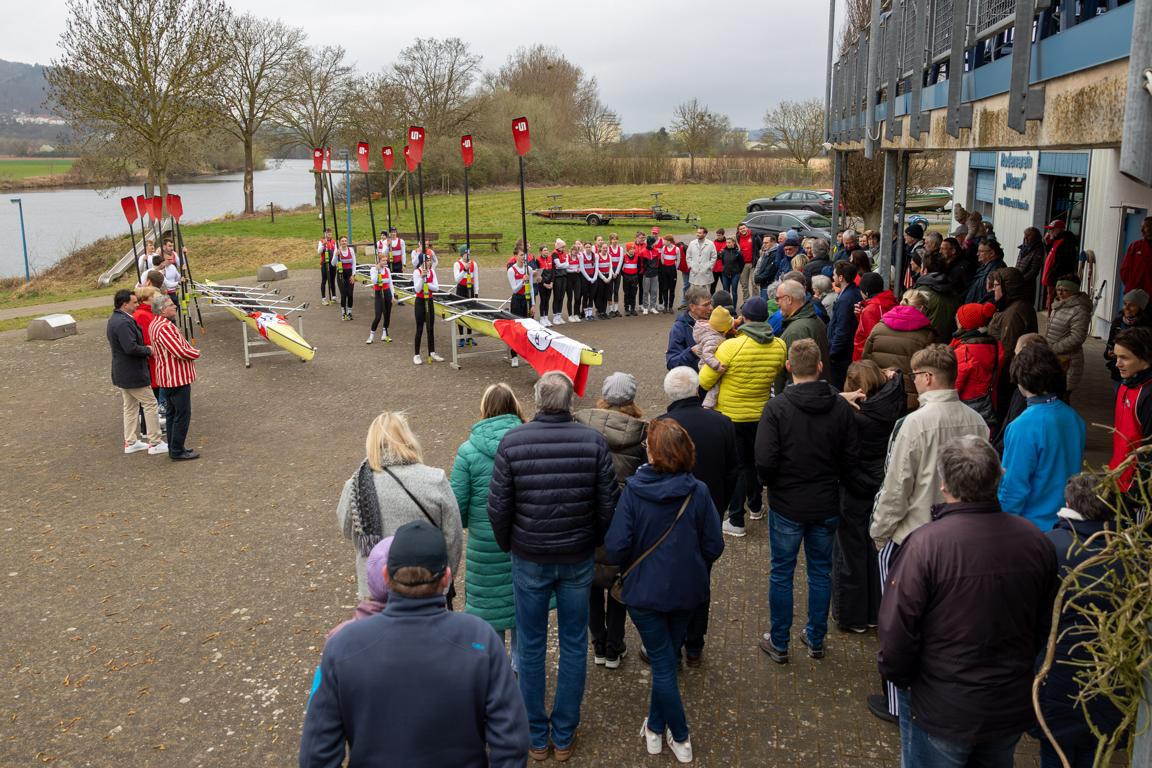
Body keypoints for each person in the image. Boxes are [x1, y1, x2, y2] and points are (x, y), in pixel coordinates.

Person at [879, 436, 1058, 768]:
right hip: (1006, 704)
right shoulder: (1036, 542)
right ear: (999, 476)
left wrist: (903, 680)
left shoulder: (924, 546)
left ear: (944, 485)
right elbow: (1044, 626)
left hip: (941, 707)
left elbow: (896, 632)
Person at [300, 520, 530, 768]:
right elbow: (512, 742)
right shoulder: (480, 639)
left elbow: (316, 756)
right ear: (447, 578)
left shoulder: (343, 647)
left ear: (386, 576)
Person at [487, 372, 619, 762]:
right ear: (570, 401)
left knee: (530, 645)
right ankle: (563, 734)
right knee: (574, 643)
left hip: (530, 556)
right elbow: (608, 504)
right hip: (576, 556)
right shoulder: (593, 441)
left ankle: (536, 736)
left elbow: (498, 508)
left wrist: (509, 544)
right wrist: (592, 539)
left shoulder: (513, 442)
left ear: (537, 401)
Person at [867, 344, 989, 722]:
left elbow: (897, 484)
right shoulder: (978, 422)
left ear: (930, 377)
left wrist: (880, 531)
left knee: (898, 619)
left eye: (916, 376)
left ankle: (895, 702)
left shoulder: (915, 423)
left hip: (912, 534)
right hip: (963, 536)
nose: (914, 382)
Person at [603, 418, 724, 764]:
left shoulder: (633, 492)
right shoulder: (698, 492)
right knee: (666, 658)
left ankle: (678, 735)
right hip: (687, 592)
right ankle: (656, 729)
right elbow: (714, 545)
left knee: (664, 662)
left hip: (644, 592)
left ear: (653, 454)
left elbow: (615, 547)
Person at [755, 339, 859, 663]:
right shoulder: (839, 407)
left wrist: (773, 484)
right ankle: (815, 638)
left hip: (787, 503)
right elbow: (851, 456)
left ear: (789, 367)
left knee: (782, 573)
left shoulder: (777, 408)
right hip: (825, 502)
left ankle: (780, 641)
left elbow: (764, 461)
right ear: (819, 367)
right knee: (820, 572)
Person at [1034, 473, 1125, 768]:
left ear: (1068, 501)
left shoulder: (1048, 547)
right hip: (1109, 676)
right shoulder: (1127, 553)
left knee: (1056, 752)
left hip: (1056, 671)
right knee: (1093, 750)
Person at [657, 367, 739, 665]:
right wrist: (720, 506)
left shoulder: (660, 426)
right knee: (701, 580)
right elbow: (733, 472)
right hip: (708, 514)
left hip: (669, 519)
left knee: (668, 581)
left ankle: (672, 644)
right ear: (697, 390)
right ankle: (694, 645)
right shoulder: (722, 423)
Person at [336, 412, 462, 601]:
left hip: (374, 592)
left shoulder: (355, 486)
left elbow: (347, 530)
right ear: (407, 438)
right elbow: (453, 537)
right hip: (427, 586)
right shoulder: (435, 480)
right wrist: (444, 579)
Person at [575, 372, 647, 670]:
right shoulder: (641, 435)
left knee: (592, 583)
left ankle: (598, 643)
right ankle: (615, 646)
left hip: (589, 517)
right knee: (619, 583)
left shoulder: (582, 427)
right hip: (623, 520)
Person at [699, 297, 787, 537]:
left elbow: (705, 380)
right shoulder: (779, 346)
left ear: (744, 318)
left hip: (732, 416)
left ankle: (736, 518)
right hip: (761, 414)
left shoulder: (731, 347)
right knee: (754, 462)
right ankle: (756, 506)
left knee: (738, 466)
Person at [450, 384, 524, 670]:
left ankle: (496, 673)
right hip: (522, 541)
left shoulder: (468, 451)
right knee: (523, 613)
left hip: (484, 545)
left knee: (490, 616)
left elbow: (457, 508)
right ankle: (521, 672)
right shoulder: (528, 443)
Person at [834, 361, 904, 633]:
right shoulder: (893, 404)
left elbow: (846, 458)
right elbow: (897, 378)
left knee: (850, 552)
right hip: (882, 483)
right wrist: (893, 376)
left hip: (855, 487)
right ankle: (877, 610)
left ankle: (852, 616)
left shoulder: (853, 417)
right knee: (878, 548)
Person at [999, 343, 1086, 530]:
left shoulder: (1021, 426)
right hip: (1066, 521)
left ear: (1020, 378)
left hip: (1031, 527)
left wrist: (1001, 525)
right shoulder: (1074, 418)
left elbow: (1013, 487)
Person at [106, 289, 167, 456]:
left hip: (123, 372)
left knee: (130, 406)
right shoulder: (123, 323)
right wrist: (148, 349)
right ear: (125, 304)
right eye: (134, 303)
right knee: (150, 403)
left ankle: (131, 441)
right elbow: (130, 347)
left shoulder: (115, 319)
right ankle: (155, 442)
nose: (136, 305)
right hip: (132, 372)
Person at [863, 289, 935, 411]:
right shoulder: (927, 335)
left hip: (879, 394)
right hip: (910, 400)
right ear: (922, 308)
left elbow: (866, 360)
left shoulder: (878, 327)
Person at [148, 295, 201, 460]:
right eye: (171, 305)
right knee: (182, 414)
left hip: (168, 376)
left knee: (172, 414)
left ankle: (174, 447)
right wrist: (195, 353)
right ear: (163, 310)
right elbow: (179, 350)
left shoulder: (156, 323)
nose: (175, 307)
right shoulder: (164, 327)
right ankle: (177, 449)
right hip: (175, 377)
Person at [988, 266, 1039, 417]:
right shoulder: (1012, 306)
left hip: (1009, 378)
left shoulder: (1014, 313)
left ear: (1007, 287)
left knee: (1005, 412)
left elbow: (1008, 349)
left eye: (996, 285)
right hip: (1014, 375)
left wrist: (998, 377)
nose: (993, 289)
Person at [1108, 327, 1152, 491]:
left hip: (1136, 487)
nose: (1117, 363)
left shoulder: (1148, 396)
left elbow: (1148, 453)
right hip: (1117, 477)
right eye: (1116, 357)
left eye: (1124, 358)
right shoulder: (1124, 385)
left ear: (1144, 357)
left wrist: (1135, 491)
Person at [775, 279, 831, 390]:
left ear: (789, 299)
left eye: (778, 299)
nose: (777, 303)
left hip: (802, 395)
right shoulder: (814, 319)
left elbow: (799, 374)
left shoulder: (796, 331)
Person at [950, 302, 1002, 419]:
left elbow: (954, 386)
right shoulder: (996, 346)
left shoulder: (965, 351)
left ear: (966, 324)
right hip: (988, 404)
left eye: (958, 318)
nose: (956, 319)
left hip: (965, 407)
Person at [1045, 274, 1093, 399]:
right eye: (1058, 289)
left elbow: (1077, 337)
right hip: (1055, 358)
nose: (1060, 293)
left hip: (1068, 361)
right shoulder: (1058, 305)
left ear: (1074, 291)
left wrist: (1053, 348)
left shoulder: (1080, 310)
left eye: (1065, 290)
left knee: (1061, 398)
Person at [1105, 289, 1152, 382]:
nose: (1126, 308)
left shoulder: (1147, 326)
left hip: (1140, 375)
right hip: (1119, 373)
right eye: (1125, 304)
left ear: (1141, 308)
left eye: (1132, 305)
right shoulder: (1118, 321)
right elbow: (1109, 345)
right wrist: (1109, 353)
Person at [828, 261, 862, 390]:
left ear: (841, 277)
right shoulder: (854, 292)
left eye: (834, 275)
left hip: (841, 357)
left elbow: (842, 330)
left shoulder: (845, 299)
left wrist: (832, 353)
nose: (833, 277)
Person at [692, 305, 732, 409]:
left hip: (706, 360)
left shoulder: (711, 330)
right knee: (716, 385)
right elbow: (707, 354)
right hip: (707, 364)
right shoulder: (714, 339)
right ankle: (708, 405)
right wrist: (717, 365)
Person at [665, 287, 713, 371]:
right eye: (706, 305)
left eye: (710, 303)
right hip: (695, 377)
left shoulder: (715, 320)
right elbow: (672, 363)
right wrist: (691, 353)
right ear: (692, 307)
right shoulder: (679, 328)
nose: (711, 308)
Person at [853, 272, 895, 362]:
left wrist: (864, 314)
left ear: (866, 293)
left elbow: (871, 338)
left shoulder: (870, 310)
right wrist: (861, 315)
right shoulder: (892, 302)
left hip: (869, 360)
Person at [412, 253, 444, 365]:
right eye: (427, 260)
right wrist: (422, 278)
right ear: (422, 261)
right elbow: (417, 289)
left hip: (429, 301)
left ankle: (432, 352)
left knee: (430, 328)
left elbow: (436, 288)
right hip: (420, 302)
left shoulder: (432, 272)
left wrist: (427, 283)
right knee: (420, 329)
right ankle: (416, 355)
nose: (430, 262)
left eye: (430, 260)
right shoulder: (417, 272)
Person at [1042, 220, 1081, 309]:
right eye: (1049, 229)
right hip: (1053, 277)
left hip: (1058, 279)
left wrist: (1052, 276)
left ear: (1059, 229)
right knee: (1050, 301)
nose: (1049, 232)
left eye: (1052, 229)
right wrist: (1047, 244)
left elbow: (1062, 261)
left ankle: (1053, 317)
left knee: (1056, 302)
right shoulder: (1056, 240)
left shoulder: (1066, 242)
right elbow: (1052, 256)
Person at [506, 248, 533, 369]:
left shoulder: (529, 269)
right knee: (516, 329)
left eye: (525, 255)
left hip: (527, 299)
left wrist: (533, 304)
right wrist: (522, 280)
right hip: (517, 300)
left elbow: (531, 287)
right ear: (516, 256)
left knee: (528, 329)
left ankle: (527, 355)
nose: (524, 257)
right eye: (521, 255)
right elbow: (514, 289)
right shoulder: (511, 270)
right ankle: (514, 356)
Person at [965, 237, 1006, 304]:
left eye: (981, 251)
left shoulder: (996, 270)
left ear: (992, 253)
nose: (977, 254)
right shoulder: (986, 267)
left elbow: (991, 296)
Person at [366, 250, 394, 345]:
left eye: (386, 260)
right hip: (378, 293)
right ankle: (371, 336)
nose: (385, 262)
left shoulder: (387, 270)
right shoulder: (373, 269)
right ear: (378, 261)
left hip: (387, 293)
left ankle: (385, 334)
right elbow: (374, 281)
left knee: (387, 315)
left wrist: (392, 296)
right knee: (378, 316)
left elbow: (390, 283)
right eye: (383, 261)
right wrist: (377, 270)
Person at [1119, 216, 1152, 296]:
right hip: (1133, 294)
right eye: (1141, 227)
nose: (1141, 230)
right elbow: (1124, 270)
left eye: (1145, 227)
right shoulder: (1135, 246)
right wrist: (1131, 285)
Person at [453, 247, 479, 348]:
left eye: (469, 254)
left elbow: (476, 279)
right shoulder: (457, 264)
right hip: (461, 289)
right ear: (461, 254)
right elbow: (457, 280)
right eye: (466, 254)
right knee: (460, 312)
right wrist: (464, 270)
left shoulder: (474, 264)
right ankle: (461, 337)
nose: (468, 256)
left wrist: (476, 293)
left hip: (470, 289)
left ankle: (469, 337)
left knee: (470, 313)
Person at [685, 226, 717, 295]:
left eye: (700, 233)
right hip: (694, 273)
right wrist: (691, 266)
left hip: (705, 273)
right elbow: (688, 256)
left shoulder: (710, 244)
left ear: (705, 234)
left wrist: (709, 266)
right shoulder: (692, 243)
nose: (697, 234)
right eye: (697, 232)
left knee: (706, 295)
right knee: (694, 295)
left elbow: (714, 256)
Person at [331, 235, 356, 321]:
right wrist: (335, 255)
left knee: (350, 294)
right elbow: (333, 264)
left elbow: (354, 263)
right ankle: (343, 313)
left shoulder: (351, 250)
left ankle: (349, 312)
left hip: (350, 274)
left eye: (345, 241)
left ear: (347, 242)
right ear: (339, 242)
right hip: (341, 275)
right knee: (343, 294)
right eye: (342, 241)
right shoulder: (337, 251)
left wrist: (353, 275)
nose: (344, 242)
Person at [619, 236, 643, 316]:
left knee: (633, 293)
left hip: (634, 277)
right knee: (627, 293)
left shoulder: (637, 257)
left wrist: (636, 275)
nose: (632, 250)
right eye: (631, 249)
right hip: (626, 277)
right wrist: (624, 275)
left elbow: (639, 267)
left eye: (633, 249)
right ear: (627, 249)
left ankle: (632, 308)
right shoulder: (624, 257)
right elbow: (620, 268)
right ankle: (627, 308)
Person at [550, 239, 569, 325]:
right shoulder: (554, 254)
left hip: (564, 276)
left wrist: (563, 265)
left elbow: (563, 265)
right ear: (558, 247)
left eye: (564, 247)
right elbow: (559, 265)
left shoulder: (564, 254)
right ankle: (555, 316)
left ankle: (559, 315)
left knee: (561, 296)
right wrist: (565, 265)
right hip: (557, 277)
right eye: (562, 247)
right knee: (557, 297)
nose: (564, 248)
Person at [719, 235, 743, 301]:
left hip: (735, 274)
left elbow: (741, 264)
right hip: (725, 274)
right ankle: (727, 305)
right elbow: (723, 262)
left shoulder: (738, 252)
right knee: (726, 291)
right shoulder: (724, 252)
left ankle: (734, 306)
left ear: (733, 243)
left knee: (734, 291)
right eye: (727, 243)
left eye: (729, 242)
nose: (727, 244)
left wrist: (738, 271)